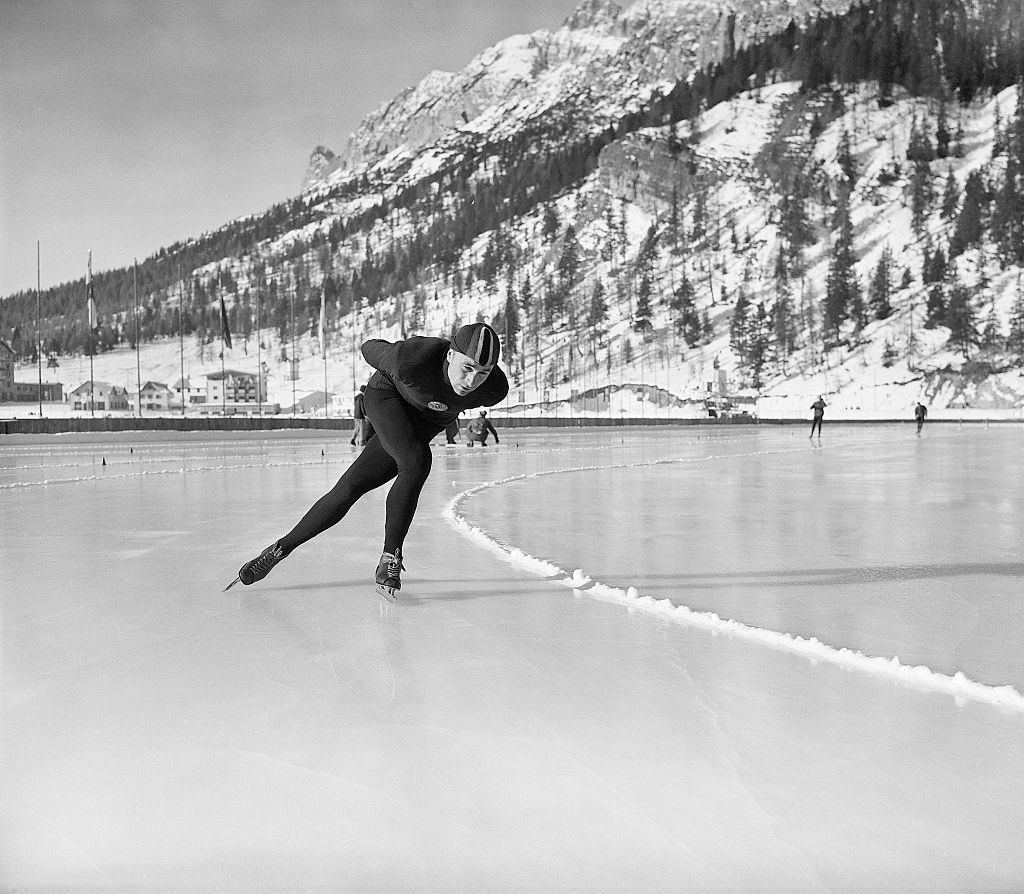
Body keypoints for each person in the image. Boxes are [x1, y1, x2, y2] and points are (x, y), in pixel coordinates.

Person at [226, 322, 508, 601]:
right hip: (387, 400)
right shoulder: (412, 360)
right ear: (450, 355)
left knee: (349, 488)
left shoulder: (494, 390)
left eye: (482, 373)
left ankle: (276, 550)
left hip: (420, 425)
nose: (472, 381)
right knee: (417, 462)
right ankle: (390, 557)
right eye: (467, 368)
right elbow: (368, 348)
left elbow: (468, 389)